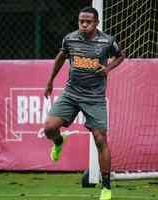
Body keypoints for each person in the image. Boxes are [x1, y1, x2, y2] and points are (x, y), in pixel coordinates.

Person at [44, 6, 125, 200]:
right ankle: (59, 141)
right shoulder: (70, 39)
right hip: (71, 94)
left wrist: (108, 68)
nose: (84, 24)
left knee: (100, 139)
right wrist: (50, 81)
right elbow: (61, 57)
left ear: (96, 23)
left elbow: (121, 56)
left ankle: (106, 187)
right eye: (81, 21)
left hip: (94, 98)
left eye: (88, 21)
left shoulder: (107, 41)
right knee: (49, 128)